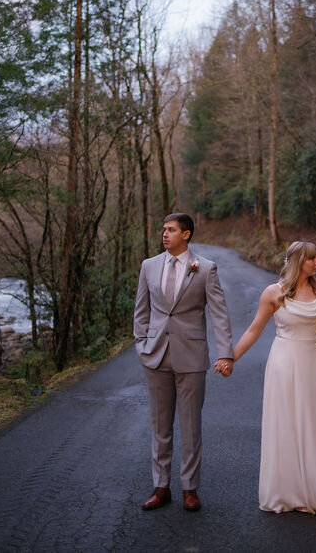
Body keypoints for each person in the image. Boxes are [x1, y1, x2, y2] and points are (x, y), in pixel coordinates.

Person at [217, 240, 316, 515]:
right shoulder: (273, 294)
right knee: (287, 425)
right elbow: (254, 330)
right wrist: (230, 357)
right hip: (283, 364)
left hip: (312, 366)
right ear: (297, 262)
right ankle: (289, 493)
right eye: (311, 259)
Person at [133, 213, 234, 512]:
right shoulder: (148, 266)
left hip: (191, 357)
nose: (165, 235)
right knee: (159, 426)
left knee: (190, 427)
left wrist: (225, 353)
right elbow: (142, 310)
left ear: (186, 234)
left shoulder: (204, 268)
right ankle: (160, 487)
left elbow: (218, 312)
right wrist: (142, 344)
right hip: (156, 355)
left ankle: (190, 488)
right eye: (164, 230)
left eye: (171, 230)